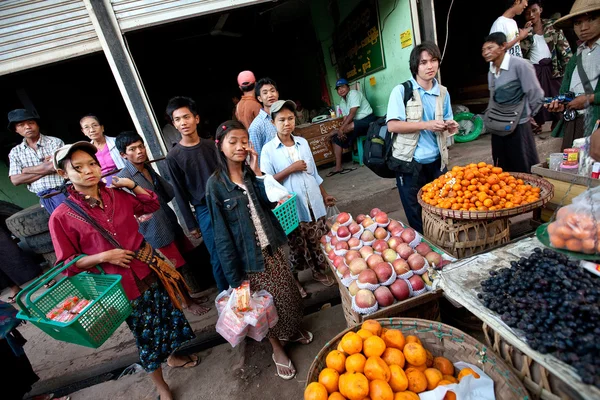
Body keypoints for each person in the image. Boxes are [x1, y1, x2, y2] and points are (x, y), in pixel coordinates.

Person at [48, 142, 197, 400]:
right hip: (119, 286)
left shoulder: (116, 194)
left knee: (169, 317)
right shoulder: (62, 216)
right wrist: (104, 256)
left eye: (92, 164)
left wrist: (132, 185)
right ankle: (162, 386)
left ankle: (173, 357)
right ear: (64, 174)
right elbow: (67, 263)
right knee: (146, 336)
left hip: (149, 268)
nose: (88, 171)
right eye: (79, 167)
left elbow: (151, 204)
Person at [206, 120, 313, 381]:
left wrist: (257, 172)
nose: (240, 147)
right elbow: (222, 236)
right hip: (248, 260)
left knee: (287, 295)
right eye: (233, 142)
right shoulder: (216, 186)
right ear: (220, 146)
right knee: (264, 309)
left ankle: (293, 330)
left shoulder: (250, 174)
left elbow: (267, 203)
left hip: (271, 248)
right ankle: (277, 348)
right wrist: (235, 279)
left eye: (244, 141)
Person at [115, 131, 210, 316]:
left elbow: (166, 194)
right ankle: (187, 302)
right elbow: (126, 211)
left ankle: (190, 296)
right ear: (123, 155)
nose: (140, 151)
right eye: (132, 149)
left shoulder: (146, 168)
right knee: (173, 266)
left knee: (183, 260)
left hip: (168, 219)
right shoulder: (124, 178)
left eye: (141, 146)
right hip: (154, 229)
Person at [260, 100, 337, 294]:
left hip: (314, 202)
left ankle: (319, 272)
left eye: (291, 118)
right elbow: (266, 182)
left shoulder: (302, 142)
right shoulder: (268, 150)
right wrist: (291, 169)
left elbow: (313, 173)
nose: (287, 123)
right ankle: (294, 279)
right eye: (282, 119)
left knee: (318, 241)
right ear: (272, 122)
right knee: (297, 246)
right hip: (292, 208)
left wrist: (325, 195)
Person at [386, 42, 458, 234]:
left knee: (444, 208)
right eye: (423, 62)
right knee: (416, 212)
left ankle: (444, 247)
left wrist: (450, 126)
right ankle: (426, 251)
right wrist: (427, 124)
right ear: (415, 66)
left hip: (437, 161)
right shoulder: (402, 91)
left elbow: (447, 119)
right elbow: (392, 125)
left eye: (433, 60)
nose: (430, 66)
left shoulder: (443, 92)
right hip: (410, 163)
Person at [164, 96, 228, 292]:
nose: (183, 123)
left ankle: (246, 291)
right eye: (177, 119)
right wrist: (191, 223)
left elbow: (226, 175)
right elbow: (180, 193)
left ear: (196, 119)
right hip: (204, 210)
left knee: (237, 245)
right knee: (217, 255)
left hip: (226, 202)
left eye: (186, 117)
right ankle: (227, 298)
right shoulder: (173, 157)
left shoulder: (212, 146)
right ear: (174, 124)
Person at [483, 32, 544, 172]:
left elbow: (535, 93)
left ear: (503, 46)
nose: (486, 53)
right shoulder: (491, 71)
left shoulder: (520, 65)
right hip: (498, 125)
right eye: (484, 50)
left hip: (519, 125)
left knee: (523, 165)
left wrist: (529, 115)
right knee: (502, 168)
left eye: (490, 48)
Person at [547, 0, 600, 150]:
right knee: (573, 166)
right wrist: (559, 104)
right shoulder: (576, 57)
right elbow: (565, 91)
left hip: (597, 123)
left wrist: (589, 98)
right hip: (575, 123)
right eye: (577, 23)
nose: (584, 28)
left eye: (591, 19)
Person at [522, 0, 573, 132]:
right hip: (535, 70)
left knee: (557, 95)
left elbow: (564, 49)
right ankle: (537, 124)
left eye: (534, 10)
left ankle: (557, 122)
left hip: (553, 68)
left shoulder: (552, 26)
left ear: (541, 10)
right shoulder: (524, 32)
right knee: (537, 97)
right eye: (527, 13)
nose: (531, 15)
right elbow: (521, 53)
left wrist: (570, 69)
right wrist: (526, 34)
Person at [7, 109, 66, 214]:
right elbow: (15, 180)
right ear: (16, 130)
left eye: (31, 123)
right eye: (21, 125)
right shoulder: (15, 152)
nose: (27, 127)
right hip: (44, 198)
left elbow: (55, 166)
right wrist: (45, 167)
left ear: (37, 125)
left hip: (65, 191)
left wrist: (25, 170)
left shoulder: (54, 142)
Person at [329, 78, 377, 176]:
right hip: (356, 123)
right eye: (338, 89)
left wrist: (341, 129)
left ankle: (338, 132)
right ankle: (338, 167)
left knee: (346, 129)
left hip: (368, 120)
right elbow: (346, 117)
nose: (341, 90)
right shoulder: (342, 101)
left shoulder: (354, 93)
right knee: (336, 137)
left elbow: (352, 113)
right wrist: (342, 131)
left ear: (348, 87)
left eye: (342, 87)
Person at [79, 114, 125, 184]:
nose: (92, 130)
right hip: (102, 182)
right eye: (86, 127)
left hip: (123, 176)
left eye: (95, 125)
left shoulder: (117, 142)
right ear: (83, 132)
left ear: (102, 127)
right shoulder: (86, 151)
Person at [248, 77, 279, 161]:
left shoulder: (284, 117)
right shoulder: (256, 126)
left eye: (272, 91)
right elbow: (256, 159)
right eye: (265, 93)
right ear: (259, 98)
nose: (270, 95)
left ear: (277, 94)